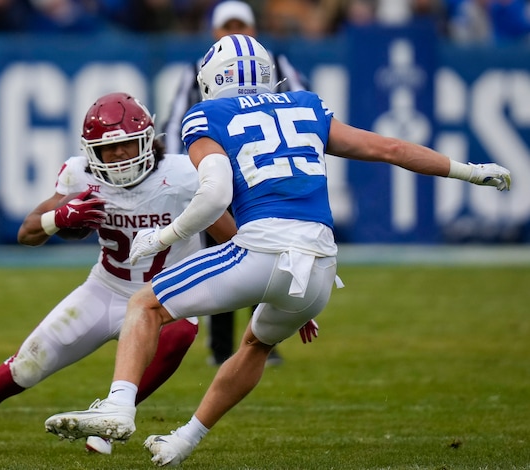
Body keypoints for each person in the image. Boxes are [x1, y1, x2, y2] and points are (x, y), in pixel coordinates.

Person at [43, 34, 512, 467]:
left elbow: (214, 195)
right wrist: (469, 171)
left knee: (144, 303)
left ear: (211, 80)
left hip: (262, 250)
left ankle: (120, 407)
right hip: (320, 269)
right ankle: (183, 440)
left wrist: (161, 238)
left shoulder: (208, 116)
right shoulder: (305, 106)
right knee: (256, 344)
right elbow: (388, 148)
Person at [0, 92, 238, 456]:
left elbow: (233, 238)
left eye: (126, 144)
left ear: (147, 141)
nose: (119, 155)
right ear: (92, 151)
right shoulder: (81, 176)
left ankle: (110, 417)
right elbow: (26, 234)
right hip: (106, 290)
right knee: (23, 369)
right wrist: (56, 219)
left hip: (164, 295)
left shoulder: (184, 176)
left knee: (181, 332)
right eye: (109, 149)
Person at [162, 0, 310, 367]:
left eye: (241, 26)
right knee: (222, 257)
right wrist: (185, 173)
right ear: (214, 32)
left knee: (270, 253)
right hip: (221, 176)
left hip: (264, 175)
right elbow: (177, 120)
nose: (235, 34)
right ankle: (222, 346)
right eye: (227, 27)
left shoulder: (277, 65)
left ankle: (265, 340)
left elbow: (302, 111)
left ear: (254, 31)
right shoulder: (199, 70)